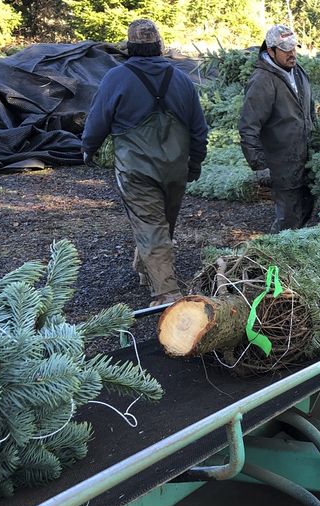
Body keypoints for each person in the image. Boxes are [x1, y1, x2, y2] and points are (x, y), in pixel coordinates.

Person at [81, 19, 208, 307]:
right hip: (175, 169)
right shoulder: (182, 80)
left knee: (152, 225)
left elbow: (97, 120)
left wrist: (88, 148)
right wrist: (195, 162)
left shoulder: (116, 78)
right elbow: (199, 129)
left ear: (130, 47)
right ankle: (146, 269)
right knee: (161, 223)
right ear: (159, 46)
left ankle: (167, 295)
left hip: (137, 170)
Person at [239, 24, 316, 232]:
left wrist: (317, 148)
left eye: (294, 48)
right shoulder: (263, 81)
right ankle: (273, 259)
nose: (292, 54)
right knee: (288, 223)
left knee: (305, 212)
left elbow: (310, 114)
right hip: (282, 166)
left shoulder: (298, 73)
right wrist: (259, 166)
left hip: (306, 162)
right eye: (285, 49)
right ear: (271, 51)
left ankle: (294, 257)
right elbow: (248, 127)